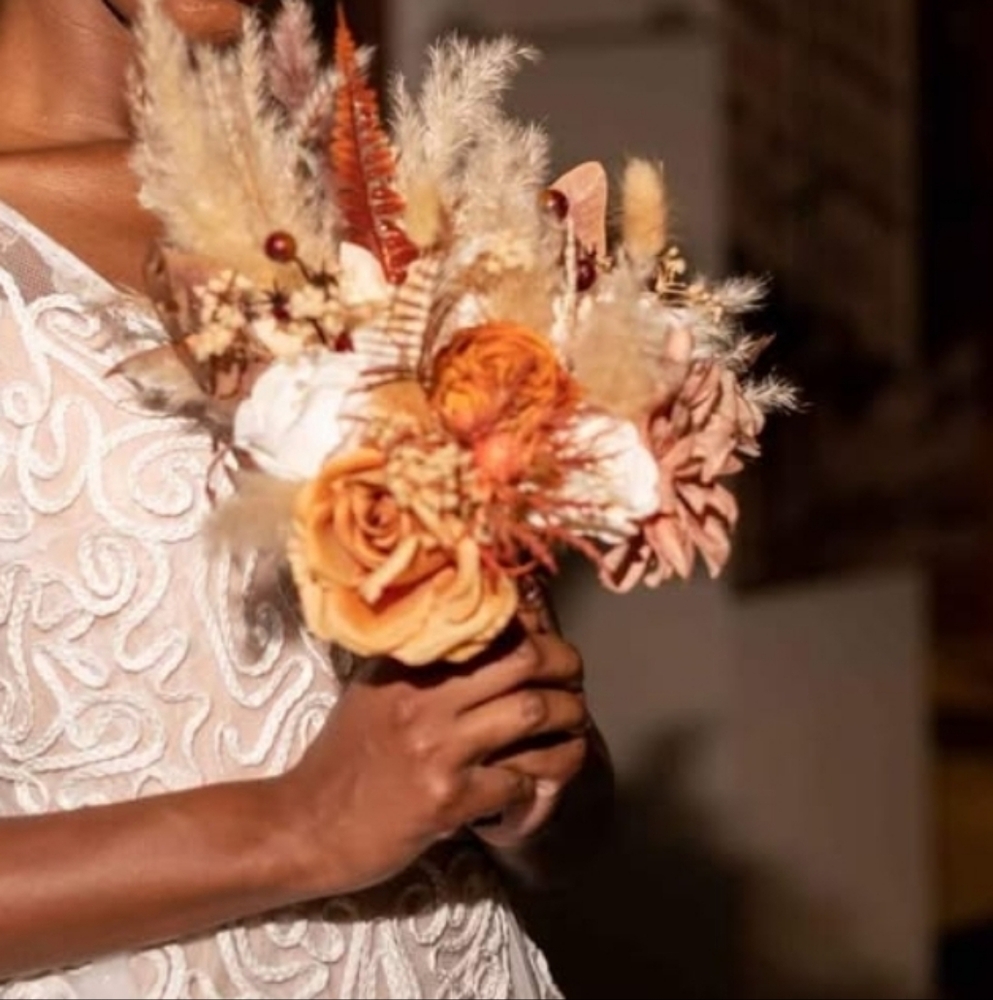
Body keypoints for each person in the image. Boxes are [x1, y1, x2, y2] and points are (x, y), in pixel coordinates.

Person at [0, 1, 614, 997]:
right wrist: (302, 825)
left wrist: (528, 767)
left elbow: (560, 830)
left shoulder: (363, 219)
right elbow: (345, 801)